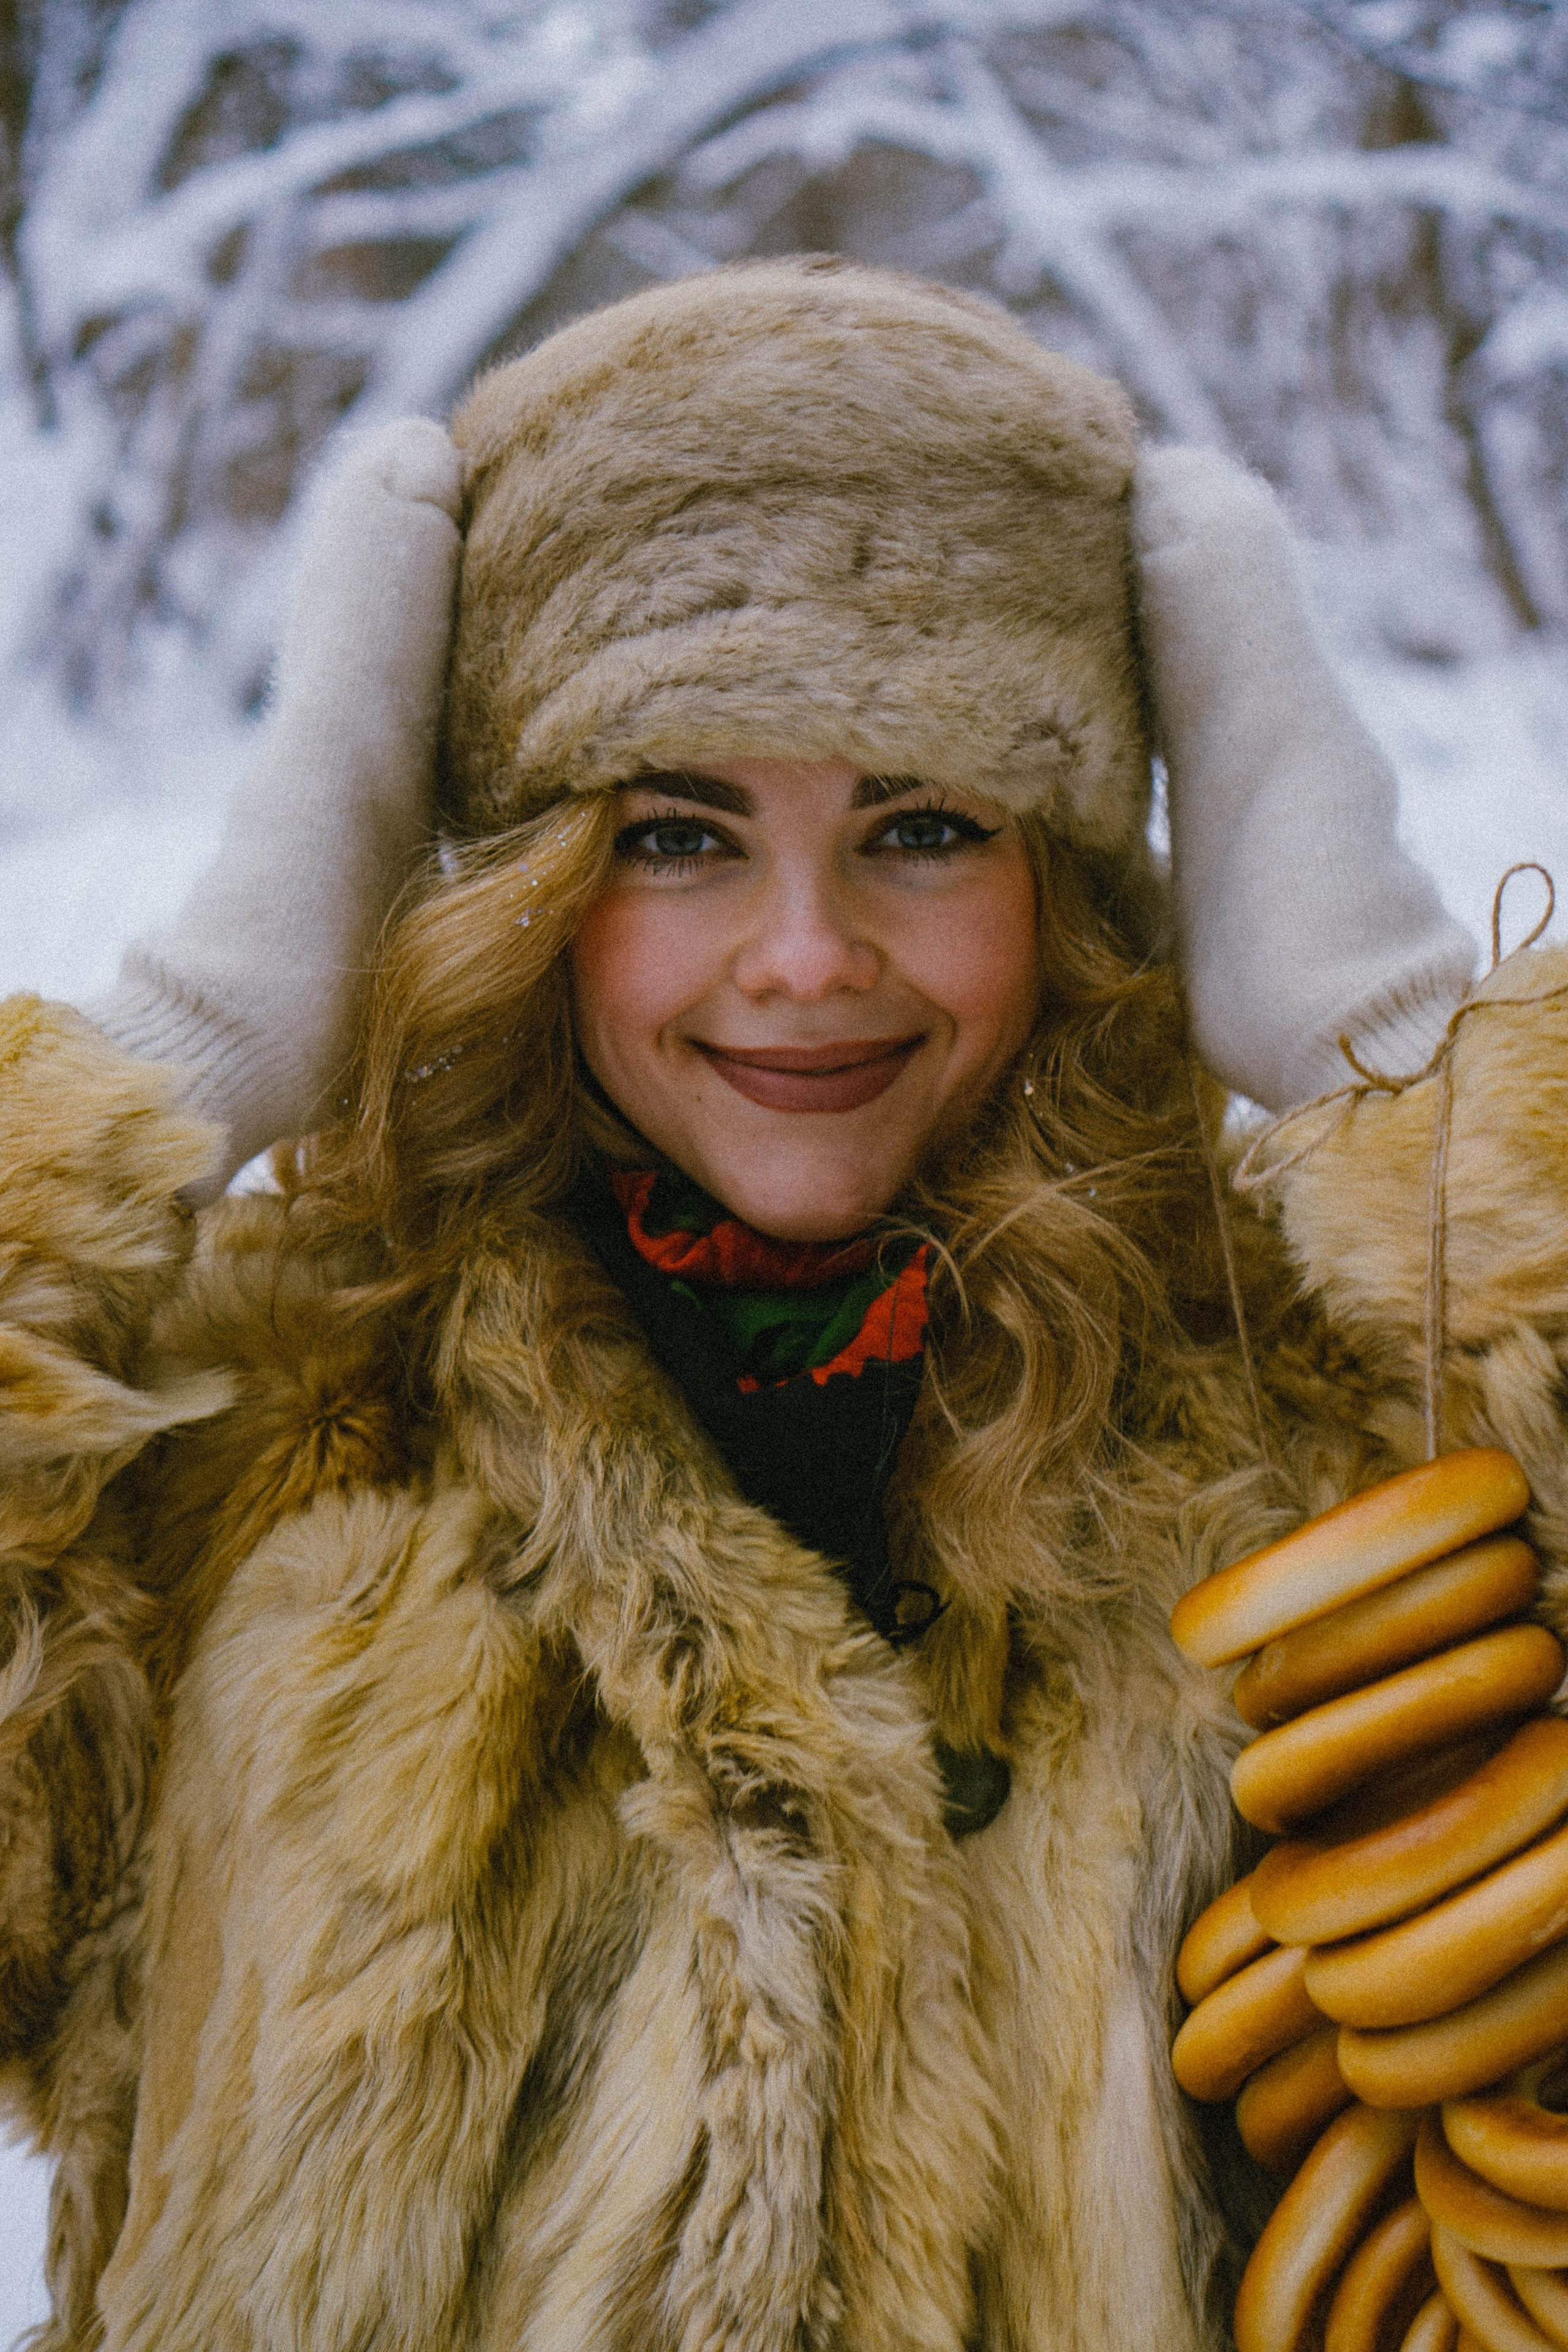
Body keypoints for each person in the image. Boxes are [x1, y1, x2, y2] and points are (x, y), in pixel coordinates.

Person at [2, 257, 1561, 2352]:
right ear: (524, 892)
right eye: (675, 834)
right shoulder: (245, 1451)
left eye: (922, 826)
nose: (806, 956)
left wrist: (1397, 1056)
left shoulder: (1334, 1460)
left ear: (1073, 889)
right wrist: (178, 1065)